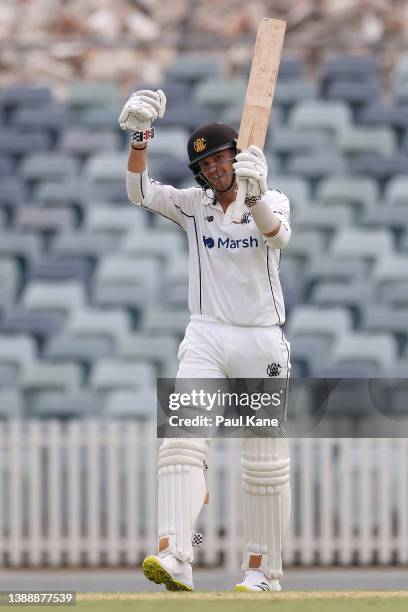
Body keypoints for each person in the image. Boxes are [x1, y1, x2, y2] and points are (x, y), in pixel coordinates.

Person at [119, 89, 291, 593]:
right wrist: (138, 138)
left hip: (261, 338)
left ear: (236, 157)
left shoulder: (272, 196)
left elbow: (278, 236)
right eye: (207, 165)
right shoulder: (194, 207)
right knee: (181, 441)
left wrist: (256, 199)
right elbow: (139, 190)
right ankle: (177, 555)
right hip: (207, 333)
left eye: (221, 160)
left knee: (264, 462)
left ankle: (262, 571)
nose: (216, 170)